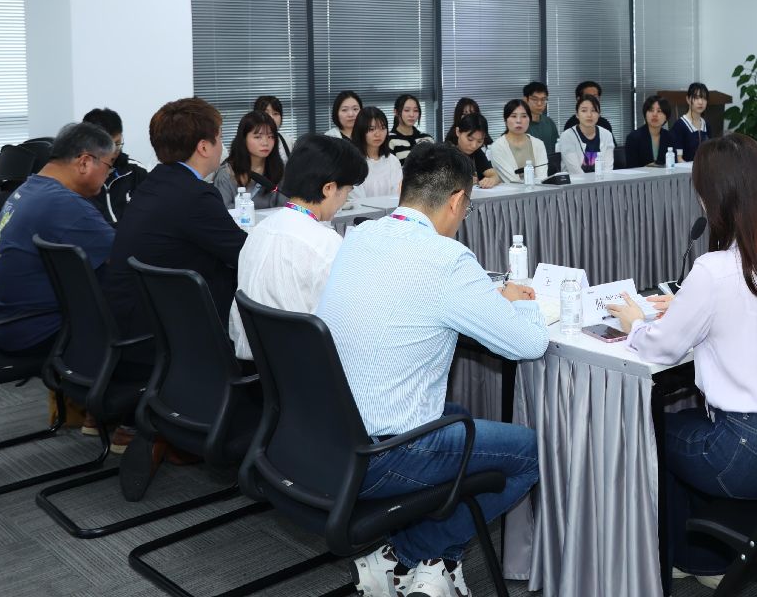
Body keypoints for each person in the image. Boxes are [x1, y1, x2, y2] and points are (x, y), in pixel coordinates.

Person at [316, 143, 548, 597]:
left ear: (403, 187)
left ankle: (420, 558)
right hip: (382, 455)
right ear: (458, 200)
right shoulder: (447, 259)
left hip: (324, 438)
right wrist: (523, 302)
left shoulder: (359, 235)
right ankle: (411, 552)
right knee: (530, 452)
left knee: (457, 413)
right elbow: (529, 344)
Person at [606, 133, 757, 583]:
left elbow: (662, 347)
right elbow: (754, 309)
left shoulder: (714, 271)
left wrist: (635, 322)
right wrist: (689, 306)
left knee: (654, 430)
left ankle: (697, 559)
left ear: (716, 197)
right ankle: (707, 550)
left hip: (750, 455)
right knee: (689, 425)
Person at [102, 98, 247, 346]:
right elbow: (246, 254)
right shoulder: (196, 195)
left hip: (129, 321)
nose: (222, 146)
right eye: (220, 137)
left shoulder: (154, 182)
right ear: (204, 147)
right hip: (161, 333)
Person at [0, 121, 118, 358]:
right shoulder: (65, 203)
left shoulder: (26, 190)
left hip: (4, 323)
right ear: (85, 162)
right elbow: (122, 256)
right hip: (36, 333)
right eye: (109, 166)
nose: (108, 176)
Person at [229, 135, 366, 361]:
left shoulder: (260, 230)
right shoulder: (326, 244)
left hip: (259, 361)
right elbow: (350, 323)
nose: (345, 200)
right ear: (329, 188)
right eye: (347, 191)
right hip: (306, 365)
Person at [82, 107, 148, 226]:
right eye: (107, 146)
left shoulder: (136, 171)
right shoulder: (78, 177)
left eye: (117, 143)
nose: (113, 152)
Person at [213, 111, 285, 211]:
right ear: (243, 139)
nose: (265, 143)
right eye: (258, 137)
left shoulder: (280, 170)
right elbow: (222, 212)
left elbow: (286, 207)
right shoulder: (226, 174)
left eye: (270, 136)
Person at [487, 99, 548, 185]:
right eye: (514, 116)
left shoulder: (538, 144)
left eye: (524, 116)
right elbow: (512, 181)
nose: (519, 121)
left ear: (529, 119)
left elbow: (542, 178)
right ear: (505, 120)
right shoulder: (498, 147)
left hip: (539, 191)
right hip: (511, 192)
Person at [351, 106, 403, 200]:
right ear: (360, 131)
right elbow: (356, 199)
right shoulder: (353, 163)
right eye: (371, 129)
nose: (378, 134)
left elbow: (397, 195)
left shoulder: (392, 161)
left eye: (382, 128)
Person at [558, 94, 615, 176]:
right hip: (575, 182)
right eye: (584, 111)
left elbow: (608, 169)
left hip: (602, 182)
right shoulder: (567, 136)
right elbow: (575, 171)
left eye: (593, 110)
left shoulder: (607, 135)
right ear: (577, 114)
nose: (589, 115)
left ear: (599, 114)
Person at [624, 95, 679, 169]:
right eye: (651, 110)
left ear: (666, 117)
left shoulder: (670, 137)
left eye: (659, 111)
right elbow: (631, 168)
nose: (654, 114)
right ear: (645, 115)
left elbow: (673, 164)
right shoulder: (633, 138)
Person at [449, 112, 500, 188]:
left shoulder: (477, 152)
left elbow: (494, 175)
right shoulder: (446, 153)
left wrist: (492, 180)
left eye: (479, 141)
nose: (474, 146)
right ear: (458, 132)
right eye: (470, 139)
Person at [388, 93, 431, 162]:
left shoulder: (427, 139)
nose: (412, 115)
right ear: (396, 112)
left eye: (415, 110)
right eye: (407, 110)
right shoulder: (389, 140)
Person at [673, 82, 710, 163]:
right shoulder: (679, 125)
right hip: (685, 170)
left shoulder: (706, 125)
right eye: (696, 98)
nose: (700, 102)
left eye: (704, 98)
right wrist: (694, 169)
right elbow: (678, 159)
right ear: (688, 99)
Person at [522, 81, 560, 150]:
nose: (539, 103)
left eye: (543, 99)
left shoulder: (549, 122)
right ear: (525, 100)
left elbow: (556, 149)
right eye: (534, 99)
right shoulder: (519, 124)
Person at [253, 95, 291, 161]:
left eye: (275, 113)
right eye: (266, 113)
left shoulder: (288, 142)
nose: (271, 118)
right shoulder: (249, 142)